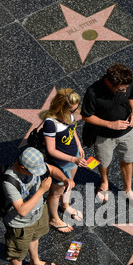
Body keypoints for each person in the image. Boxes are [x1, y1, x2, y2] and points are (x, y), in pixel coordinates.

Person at [2, 147, 74, 265]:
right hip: (20, 224)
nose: (39, 174)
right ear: (22, 167)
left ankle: (35, 262)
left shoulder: (33, 166)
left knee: (35, 237)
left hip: (38, 213)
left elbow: (52, 169)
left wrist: (65, 179)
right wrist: (42, 191)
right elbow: (21, 210)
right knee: (17, 253)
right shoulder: (10, 181)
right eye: (34, 171)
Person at [81, 63, 133, 208]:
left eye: (126, 87)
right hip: (103, 136)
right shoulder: (93, 92)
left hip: (127, 132)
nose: (125, 90)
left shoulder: (127, 83)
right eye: (122, 89)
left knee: (128, 160)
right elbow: (86, 116)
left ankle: (128, 189)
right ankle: (104, 182)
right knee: (103, 162)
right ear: (111, 84)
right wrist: (110, 124)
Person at [40, 88, 88, 233]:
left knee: (69, 184)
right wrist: (74, 158)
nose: (74, 113)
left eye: (75, 109)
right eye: (72, 110)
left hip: (73, 158)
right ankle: (53, 218)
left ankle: (65, 205)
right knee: (56, 192)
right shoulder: (50, 123)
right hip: (60, 163)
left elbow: (72, 131)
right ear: (61, 108)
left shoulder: (69, 115)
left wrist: (78, 146)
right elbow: (51, 150)